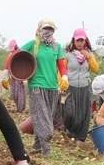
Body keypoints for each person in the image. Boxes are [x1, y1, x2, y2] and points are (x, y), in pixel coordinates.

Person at [20, 19, 68, 156]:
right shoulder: (33, 45)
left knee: (45, 116)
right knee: (43, 118)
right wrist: (10, 72)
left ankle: (37, 146)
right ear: (39, 30)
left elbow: (61, 65)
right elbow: (16, 55)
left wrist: (64, 76)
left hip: (52, 87)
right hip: (36, 86)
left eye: (50, 29)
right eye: (45, 29)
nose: (48, 32)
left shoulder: (56, 47)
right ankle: (46, 148)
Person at [61, 29, 100, 141]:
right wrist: (61, 85)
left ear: (85, 41)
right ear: (73, 41)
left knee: (84, 113)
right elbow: (61, 71)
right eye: (77, 40)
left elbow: (96, 69)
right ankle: (69, 131)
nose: (79, 43)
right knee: (69, 112)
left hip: (85, 87)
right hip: (71, 87)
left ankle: (80, 137)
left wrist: (89, 57)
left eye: (82, 40)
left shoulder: (89, 54)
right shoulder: (68, 55)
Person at [2, 40, 27, 112]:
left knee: (19, 93)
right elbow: (7, 66)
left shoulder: (20, 53)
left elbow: (24, 64)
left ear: (16, 46)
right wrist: (6, 76)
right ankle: (18, 107)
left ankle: (21, 109)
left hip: (19, 76)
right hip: (13, 76)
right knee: (14, 93)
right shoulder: (10, 54)